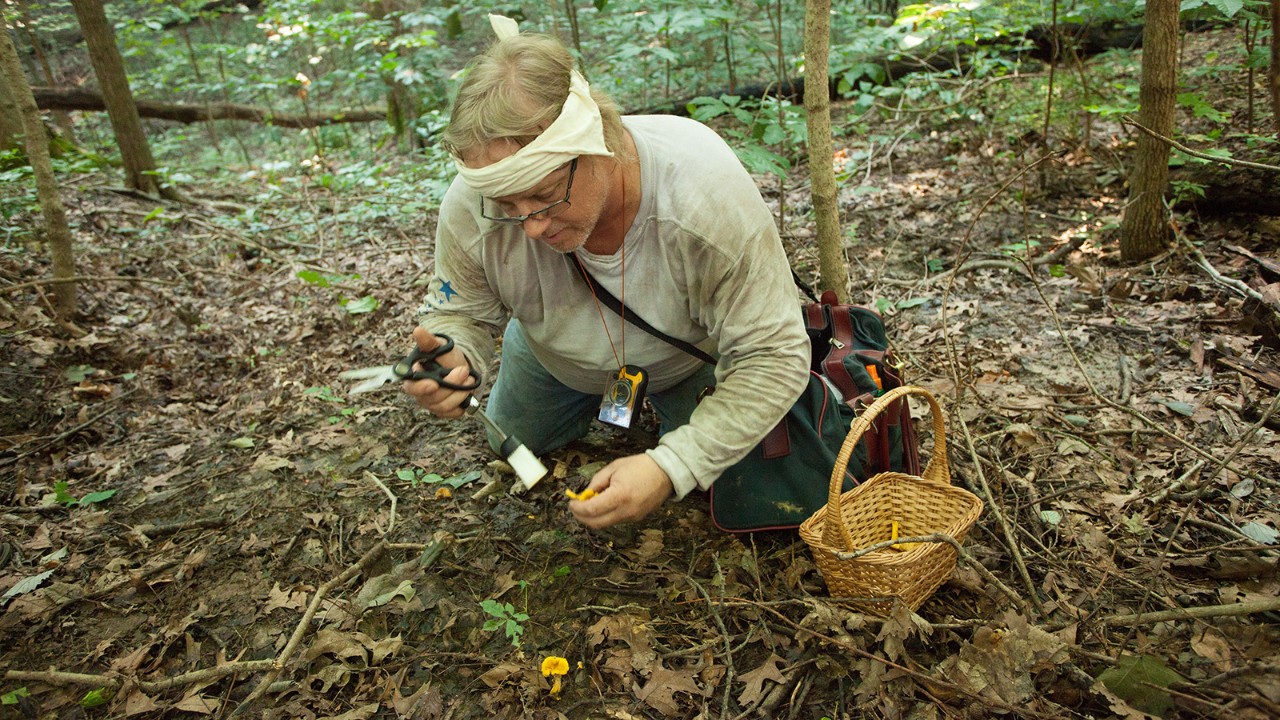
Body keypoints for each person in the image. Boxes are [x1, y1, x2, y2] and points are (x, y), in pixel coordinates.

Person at [404, 15, 809, 529]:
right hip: (553, 355)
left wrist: (672, 465)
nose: (530, 226)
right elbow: (459, 311)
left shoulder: (701, 197)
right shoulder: (472, 208)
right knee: (509, 437)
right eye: (507, 205)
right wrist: (452, 357)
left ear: (602, 140)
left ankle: (671, 419)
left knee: (734, 483)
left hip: (684, 357)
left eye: (546, 196)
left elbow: (774, 353)